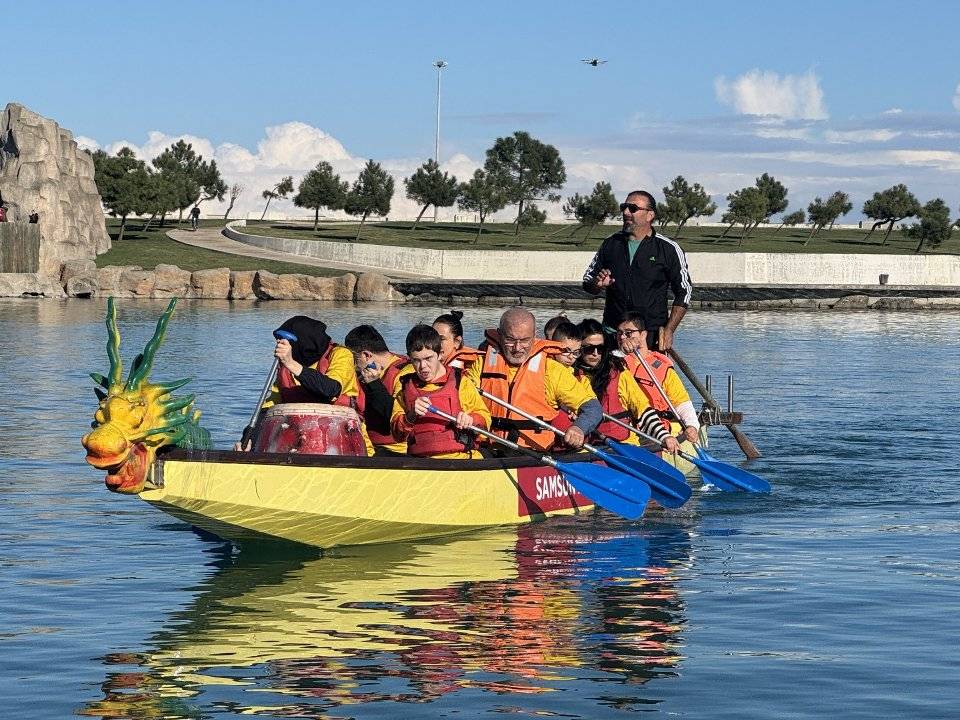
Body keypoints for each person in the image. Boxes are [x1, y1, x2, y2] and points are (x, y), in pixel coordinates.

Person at [467, 307, 601, 452]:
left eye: (525, 340)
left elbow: (592, 409)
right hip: (485, 448)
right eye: (510, 340)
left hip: (533, 452)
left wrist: (578, 428)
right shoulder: (480, 364)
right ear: (499, 335)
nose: (517, 348)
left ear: (534, 336)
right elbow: (461, 398)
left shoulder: (551, 370)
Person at [582, 190, 692, 351]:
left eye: (633, 208)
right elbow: (587, 282)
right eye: (624, 207)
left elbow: (685, 291)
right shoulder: (610, 244)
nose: (626, 212)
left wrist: (669, 330)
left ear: (650, 215)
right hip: (614, 334)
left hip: (650, 337)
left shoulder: (668, 249)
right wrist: (597, 285)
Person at [262, 315, 373, 454]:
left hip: (343, 443)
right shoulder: (285, 368)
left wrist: (291, 363)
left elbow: (331, 389)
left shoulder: (341, 355)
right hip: (296, 445)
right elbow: (268, 409)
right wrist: (247, 440)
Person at [576, 319, 678, 451]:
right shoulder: (569, 373)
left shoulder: (619, 372)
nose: (596, 353)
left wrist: (664, 437)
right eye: (589, 349)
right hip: (584, 446)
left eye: (600, 348)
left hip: (623, 444)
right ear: (579, 349)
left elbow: (642, 409)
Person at [391, 324, 491, 459]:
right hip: (421, 463)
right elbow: (397, 435)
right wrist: (410, 416)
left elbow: (485, 421)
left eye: (428, 359)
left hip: (460, 459)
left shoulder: (461, 382)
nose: (423, 367)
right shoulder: (404, 387)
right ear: (410, 358)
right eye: (416, 360)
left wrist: (471, 419)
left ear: (439, 355)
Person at [615, 311, 701, 444]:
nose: (622, 337)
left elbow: (682, 403)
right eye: (619, 333)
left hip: (656, 430)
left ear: (643, 334)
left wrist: (692, 426)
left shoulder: (662, 367)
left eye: (628, 333)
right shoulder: (613, 362)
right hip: (623, 427)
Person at [344, 324, 409, 456]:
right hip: (368, 445)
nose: (353, 366)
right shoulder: (363, 374)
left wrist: (374, 384)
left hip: (395, 451)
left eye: (354, 360)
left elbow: (394, 416)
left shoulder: (405, 373)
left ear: (366, 355)